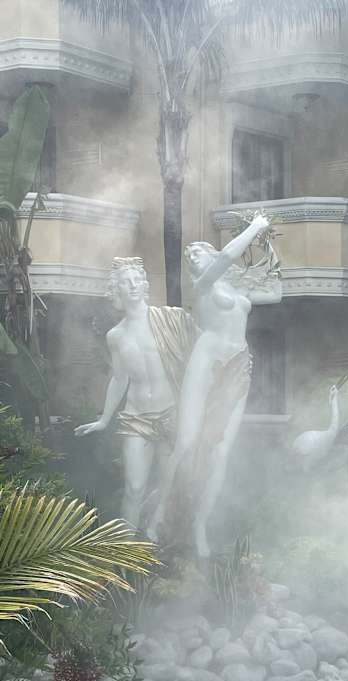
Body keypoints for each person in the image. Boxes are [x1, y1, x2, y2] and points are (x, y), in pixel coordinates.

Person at [148, 213, 282, 555]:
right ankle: (159, 513)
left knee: (221, 451)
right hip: (207, 359)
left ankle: (199, 524)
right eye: (188, 255)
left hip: (239, 363)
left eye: (197, 252)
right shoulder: (203, 284)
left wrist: (267, 244)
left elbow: (275, 290)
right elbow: (227, 256)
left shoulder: (236, 289)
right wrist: (256, 226)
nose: (191, 257)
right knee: (187, 441)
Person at [74, 257, 196, 529]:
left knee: (171, 486)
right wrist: (104, 419)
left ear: (144, 284)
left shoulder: (171, 318)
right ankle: (126, 549)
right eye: (125, 282)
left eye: (137, 280)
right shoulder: (115, 336)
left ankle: (160, 541)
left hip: (171, 415)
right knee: (134, 488)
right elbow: (119, 379)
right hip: (136, 418)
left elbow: (200, 350)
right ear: (116, 289)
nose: (132, 285)